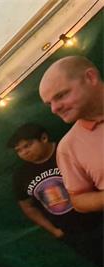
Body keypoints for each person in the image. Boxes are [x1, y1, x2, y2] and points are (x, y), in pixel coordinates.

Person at [8, 123, 103, 267]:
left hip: (99, 218)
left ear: (44, 138)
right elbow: (27, 206)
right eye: (19, 150)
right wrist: (55, 231)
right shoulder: (20, 176)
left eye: (27, 146)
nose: (24, 152)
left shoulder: (68, 150)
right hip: (74, 234)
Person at [39, 56, 104, 212]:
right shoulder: (68, 147)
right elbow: (78, 199)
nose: (54, 109)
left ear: (91, 77)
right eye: (49, 103)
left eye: (60, 95)